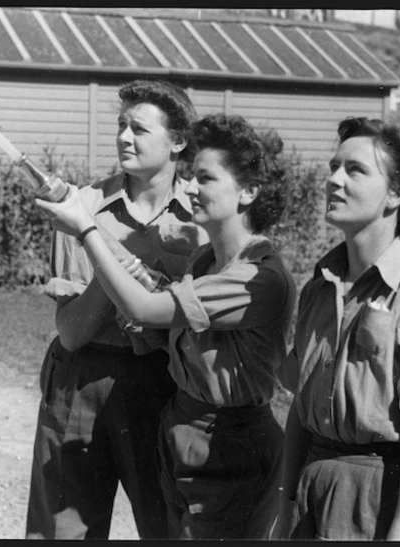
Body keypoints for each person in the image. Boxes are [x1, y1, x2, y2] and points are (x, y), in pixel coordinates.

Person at [37, 113, 296, 539]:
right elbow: (156, 309)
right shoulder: (206, 262)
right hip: (183, 431)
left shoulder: (257, 277)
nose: (190, 187)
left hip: (227, 445)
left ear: (248, 192)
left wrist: (85, 228)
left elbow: (144, 309)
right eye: (192, 176)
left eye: (205, 179)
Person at [25, 79, 208, 540]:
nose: (124, 137)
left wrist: (113, 262)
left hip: (162, 384)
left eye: (140, 129)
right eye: (121, 125)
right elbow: (70, 332)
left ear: (178, 141)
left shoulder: (201, 220)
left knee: (166, 525)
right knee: (63, 531)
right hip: (81, 383)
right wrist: (114, 260)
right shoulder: (82, 207)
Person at [279, 117, 400, 540]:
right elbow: (300, 408)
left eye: (355, 170)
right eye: (334, 166)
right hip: (313, 490)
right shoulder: (318, 289)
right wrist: (285, 506)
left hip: (382, 501)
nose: (333, 180)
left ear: (397, 193)